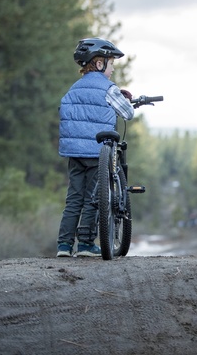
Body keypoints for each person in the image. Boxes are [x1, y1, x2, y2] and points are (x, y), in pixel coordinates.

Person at [56, 37, 135, 257]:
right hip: (96, 152)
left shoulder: (73, 89)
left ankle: (63, 246)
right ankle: (85, 244)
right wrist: (124, 99)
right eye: (111, 65)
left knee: (74, 197)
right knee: (95, 196)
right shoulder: (109, 88)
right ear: (99, 64)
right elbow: (128, 113)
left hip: (74, 152)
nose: (113, 70)